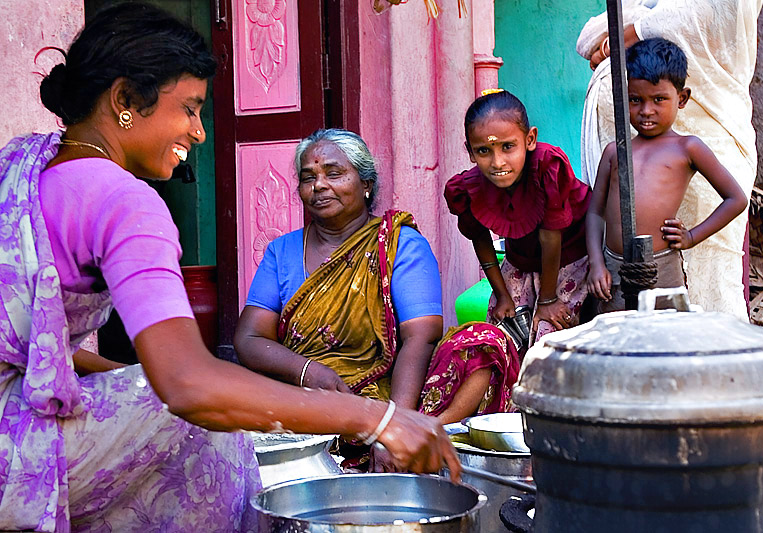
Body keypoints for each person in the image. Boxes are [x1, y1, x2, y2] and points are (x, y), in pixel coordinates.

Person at [0, 4, 460, 531]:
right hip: (15, 448)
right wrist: (376, 419)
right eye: (190, 109)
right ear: (125, 99)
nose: (199, 131)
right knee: (210, 422)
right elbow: (189, 386)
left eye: (336, 174)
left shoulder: (24, 168)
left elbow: (41, 354)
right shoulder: (126, 201)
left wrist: (137, 377)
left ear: (366, 185)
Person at [234, 129, 519, 470]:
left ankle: (419, 435)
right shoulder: (281, 252)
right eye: (308, 178)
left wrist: (390, 425)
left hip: (396, 391)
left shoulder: (400, 243)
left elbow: (420, 336)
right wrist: (307, 371)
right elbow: (249, 338)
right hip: (310, 398)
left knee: (485, 342)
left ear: (366, 183)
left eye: (334, 173)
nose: (319, 186)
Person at [578, 0, 763, 320]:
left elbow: (735, 198)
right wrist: (596, 263)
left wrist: (692, 236)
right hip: (612, 273)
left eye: (658, 100)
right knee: (616, 343)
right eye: (635, 100)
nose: (646, 111)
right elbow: (595, 213)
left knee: (667, 341)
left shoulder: (687, 149)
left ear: (682, 99)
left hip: (663, 269)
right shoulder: (615, 151)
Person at [444, 90, 591, 344]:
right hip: (521, 262)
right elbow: (480, 239)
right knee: (502, 332)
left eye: (508, 147)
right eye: (483, 151)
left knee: (549, 333)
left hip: (569, 257)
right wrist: (501, 294)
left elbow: (550, 238)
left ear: (530, 139)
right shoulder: (468, 189)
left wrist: (547, 300)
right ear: (470, 151)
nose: (497, 162)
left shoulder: (547, 168)